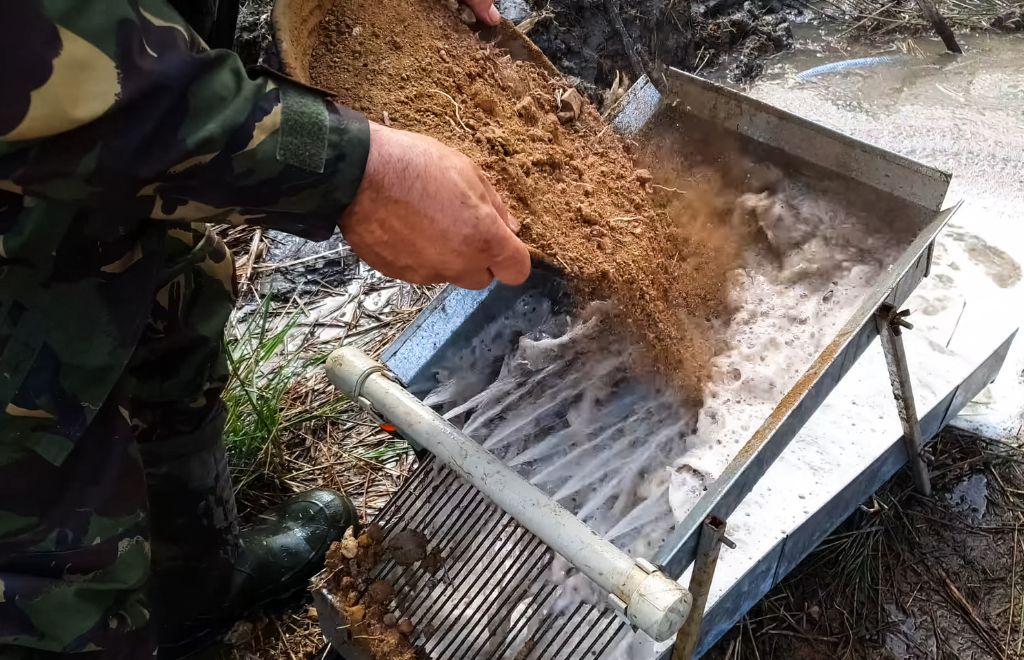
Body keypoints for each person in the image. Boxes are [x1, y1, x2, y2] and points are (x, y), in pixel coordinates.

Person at [0, 1, 530, 658]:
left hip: (86, 192)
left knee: (166, 309)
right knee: (35, 540)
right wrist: (349, 168)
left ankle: (196, 591)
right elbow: (40, 54)